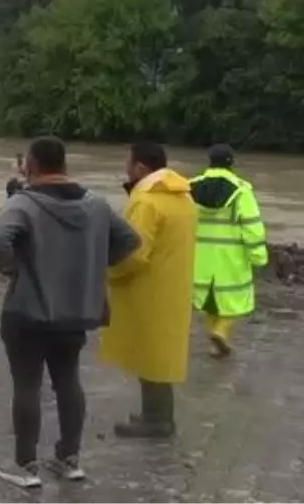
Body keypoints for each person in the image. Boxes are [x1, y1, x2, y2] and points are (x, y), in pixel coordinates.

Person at [0, 136, 139, 488]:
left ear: (32, 167)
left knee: (27, 385)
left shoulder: (24, 203)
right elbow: (131, 240)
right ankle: (69, 459)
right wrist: (96, 262)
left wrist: (13, 269)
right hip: (76, 310)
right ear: (65, 165)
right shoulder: (96, 204)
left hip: (27, 311)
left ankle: (26, 467)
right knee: (68, 380)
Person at [100, 141, 197, 439]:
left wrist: (109, 272)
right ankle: (158, 415)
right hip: (174, 286)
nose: (125, 168)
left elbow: (134, 252)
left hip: (148, 290)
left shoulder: (146, 201)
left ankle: (156, 421)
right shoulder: (182, 196)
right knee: (161, 353)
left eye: (127, 163)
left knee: (151, 354)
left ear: (140, 167)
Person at [188, 144, 267, 358]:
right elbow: (252, 225)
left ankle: (215, 344)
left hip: (200, 258)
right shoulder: (241, 191)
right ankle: (220, 333)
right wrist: (258, 256)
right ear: (231, 163)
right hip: (232, 259)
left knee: (209, 301)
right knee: (236, 301)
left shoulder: (190, 187)